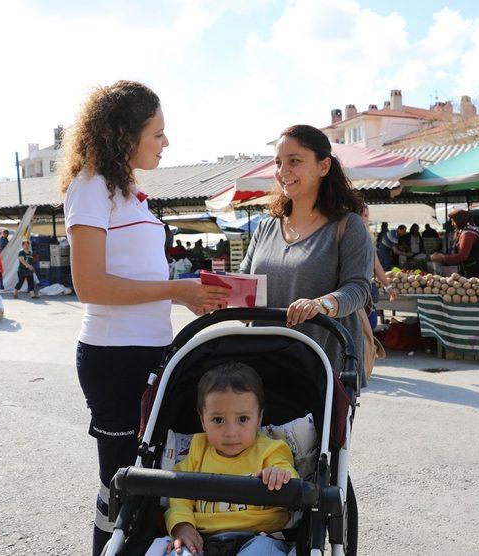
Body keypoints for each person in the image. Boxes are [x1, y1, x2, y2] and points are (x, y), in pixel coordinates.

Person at [59, 80, 230, 554]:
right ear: (123, 134)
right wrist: (177, 290)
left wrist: (190, 292)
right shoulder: (90, 187)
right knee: (119, 482)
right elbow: (90, 286)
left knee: (153, 474)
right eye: (157, 132)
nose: (166, 142)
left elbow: (136, 272)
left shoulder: (126, 189)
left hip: (149, 348)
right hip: (115, 357)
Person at [240, 125, 372, 383]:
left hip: (323, 369)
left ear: (323, 167)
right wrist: (217, 296)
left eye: (295, 161)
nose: (282, 171)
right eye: (278, 162)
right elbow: (246, 286)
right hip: (262, 366)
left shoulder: (348, 226)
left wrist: (321, 305)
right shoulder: (266, 227)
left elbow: (358, 288)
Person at [155, 362, 298, 556]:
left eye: (243, 419)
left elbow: (289, 476)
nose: (231, 432)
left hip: (262, 536)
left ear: (259, 418)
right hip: (202, 538)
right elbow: (178, 494)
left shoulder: (271, 450)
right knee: (178, 552)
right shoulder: (197, 450)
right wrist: (183, 525)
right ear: (202, 420)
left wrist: (279, 475)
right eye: (218, 420)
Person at [360, 205, 397, 329]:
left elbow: (376, 265)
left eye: (366, 215)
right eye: (362, 215)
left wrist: (389, 286)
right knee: (360, 328)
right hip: (354, 289)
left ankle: (369, 348)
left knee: (371, 324)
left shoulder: (369, 239)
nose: (364, 219)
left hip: (369, 287)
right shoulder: (345, 237)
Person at [431, 209, 479, 277]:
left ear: (460, 220)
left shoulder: (468, 233)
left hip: (476, 273)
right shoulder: (466, 230)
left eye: (453, 221)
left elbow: (462, 256)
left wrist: (442, 257)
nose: (452, 224)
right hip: (471, 270)